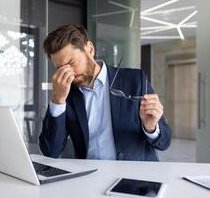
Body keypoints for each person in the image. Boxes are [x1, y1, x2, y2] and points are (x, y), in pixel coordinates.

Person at [39, 24, 171, 161]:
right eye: (60, 68)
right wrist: (57, 101)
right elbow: (50, 151)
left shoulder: (135, 80)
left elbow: (165, 142)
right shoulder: (65, 95)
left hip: (135, 178)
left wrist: (150, 128)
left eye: (72, 62)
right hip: (90, 178)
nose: (69, 73)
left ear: (89, 49)